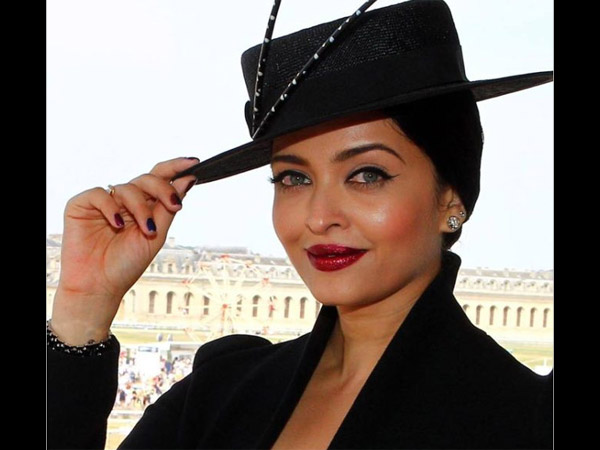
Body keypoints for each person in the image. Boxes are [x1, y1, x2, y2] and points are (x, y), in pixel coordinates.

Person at [47, 1, 553, 449]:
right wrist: (83, 308)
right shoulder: (222, 391)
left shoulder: (524, 424)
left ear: (451, 198)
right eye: (293, 178)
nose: (318, 216)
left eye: (367, 175)